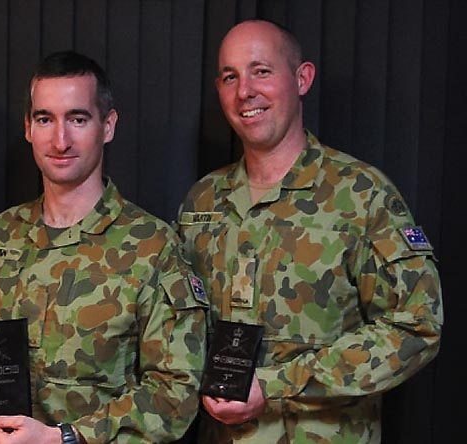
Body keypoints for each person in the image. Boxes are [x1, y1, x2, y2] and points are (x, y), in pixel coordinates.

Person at [176, 19, 443, 443]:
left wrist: (278, 384)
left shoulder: (360, 194)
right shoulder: (202, 201)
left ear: (302, 78)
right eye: (230, 76)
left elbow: (416, 327)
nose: (245, 90)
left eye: (261, 71)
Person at [0, 51, 208, 443]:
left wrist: (66, 437)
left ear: (108, 126)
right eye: (45, 119)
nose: (60, 139)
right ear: (28, 128)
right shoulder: (2, 236)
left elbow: (175, 393)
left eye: (78, 119)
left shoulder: (151, 246)